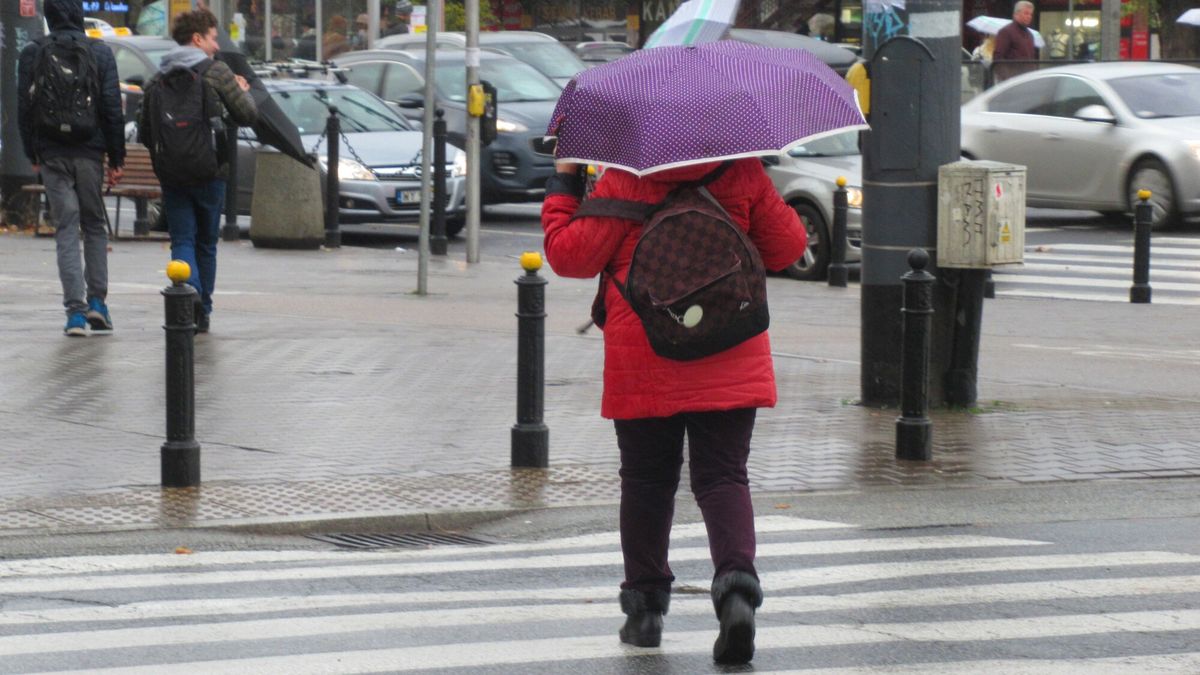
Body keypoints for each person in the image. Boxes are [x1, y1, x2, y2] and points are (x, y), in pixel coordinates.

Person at [541, 156, 806, 664]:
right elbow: (789, 247)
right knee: (724, 476)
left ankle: (644, 612)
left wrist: (567, 180)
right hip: (728, 344)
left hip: (644, 351)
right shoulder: (741, 170)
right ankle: (735, 592)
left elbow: (568, 256)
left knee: (646, 479)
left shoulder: (625, 178)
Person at [140, 9, 257, 334]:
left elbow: (145, 130)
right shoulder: (217, 73)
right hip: (211, 173)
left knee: (182, 240)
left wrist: (168, 158)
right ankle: (202, 309)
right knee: (206, 243)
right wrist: (242, 89)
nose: (216, 46)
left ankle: (184, 296)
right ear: (197, 39)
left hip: (173, 176)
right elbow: (248, 115)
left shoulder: (158, 77)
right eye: (212, 38)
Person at [17, 0, 126, 336]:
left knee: (66, 227)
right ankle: (98, 304)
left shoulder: (33, 53)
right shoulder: (100, 53)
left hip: (52, 151)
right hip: (90, 152)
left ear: (48, 17)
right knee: (94, 224)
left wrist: (32, 151)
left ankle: (74, 314)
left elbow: (25, 107)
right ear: (80, 16)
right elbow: (111, 108)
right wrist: (117, 158)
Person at [993, 1, 1038, 82]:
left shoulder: (1030, 35)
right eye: (1026, 13)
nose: (1029, 16)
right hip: (1012, 82)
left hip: (1027, 80)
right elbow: (998, 59)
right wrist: (1007, 78)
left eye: (1031, 14)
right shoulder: (1006, 32)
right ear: (1016, 14)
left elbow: (1031, 59)